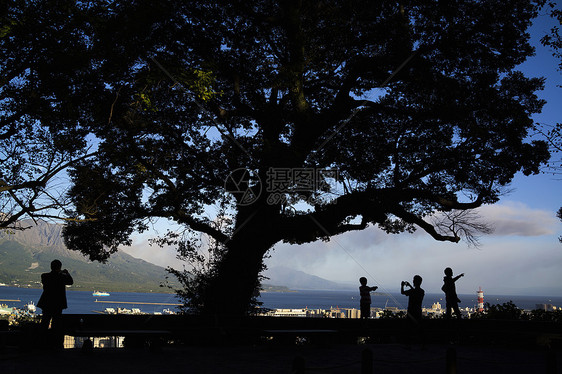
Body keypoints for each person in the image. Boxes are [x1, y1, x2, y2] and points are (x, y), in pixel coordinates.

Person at [37, 259, 73, 347]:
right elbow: (71, 282)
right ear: (59, 267)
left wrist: (59, 272)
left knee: (44, 322)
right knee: (56, 324)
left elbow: (46, 279)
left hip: (46, 303)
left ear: (51, 266)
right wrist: (66, 273)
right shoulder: (62, 277)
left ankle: (41, 342)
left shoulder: (45, 276)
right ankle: (55, 344)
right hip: (58, 304)